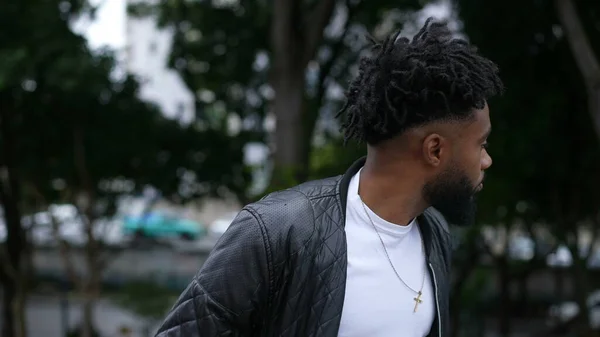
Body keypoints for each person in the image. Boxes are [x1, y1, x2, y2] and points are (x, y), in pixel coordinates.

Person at [155, 17, 503, 337]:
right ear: (435, 150)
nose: (486, 160)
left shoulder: (434, 232)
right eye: (481, 144)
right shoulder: (278, 230)